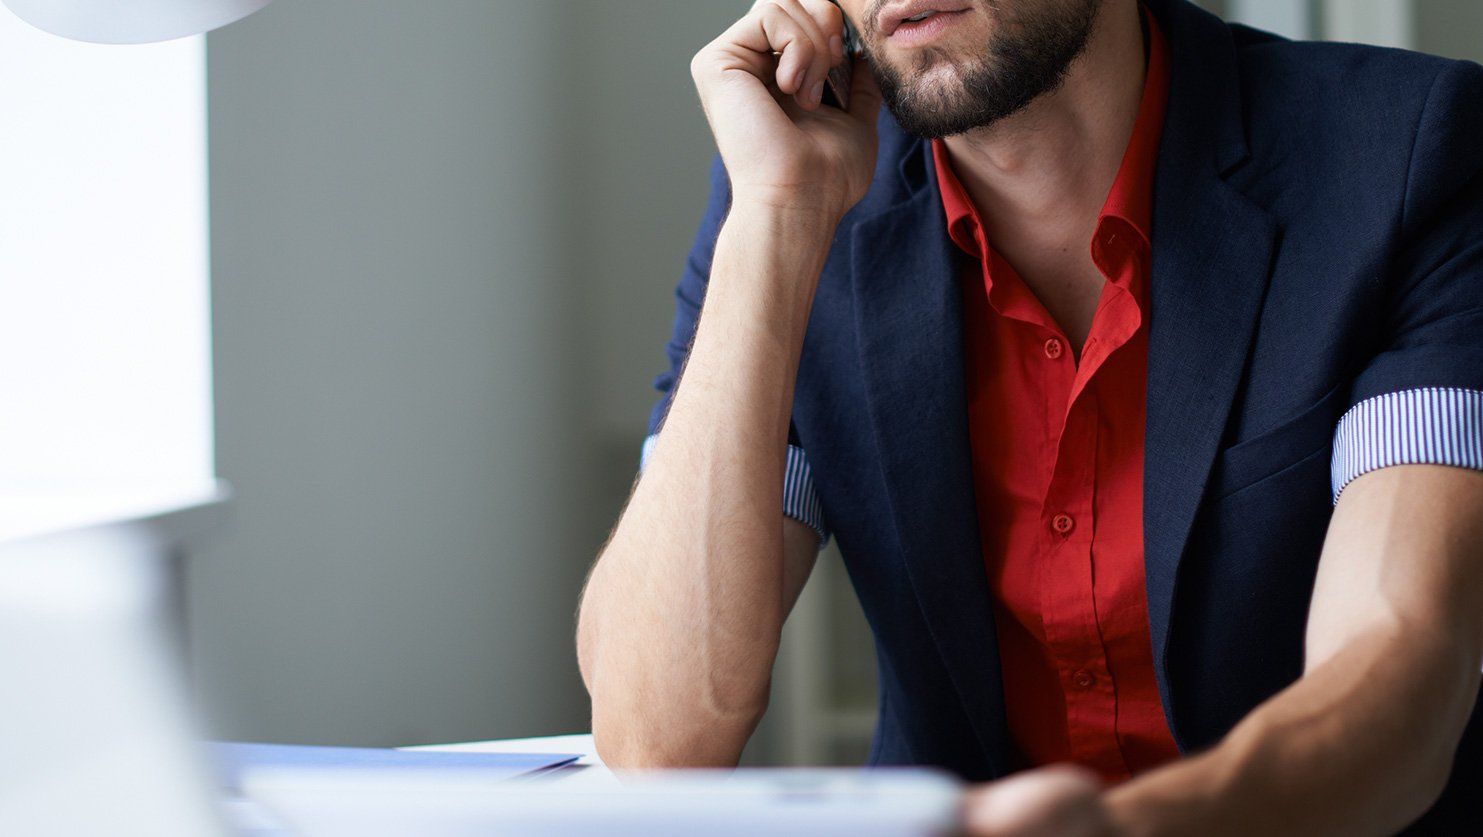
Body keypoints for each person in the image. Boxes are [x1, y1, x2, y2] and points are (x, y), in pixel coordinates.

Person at [576, 0, 1483, 832]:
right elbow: (658, 741)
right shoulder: (793, 201)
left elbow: (1400, 668)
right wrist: (772, 223)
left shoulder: (1408, 154)